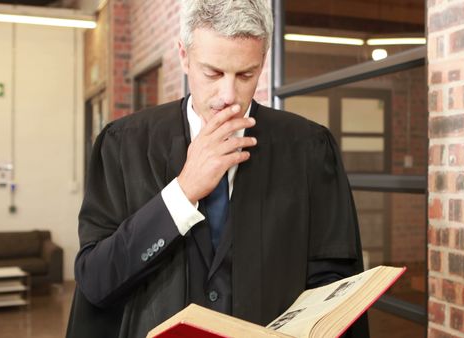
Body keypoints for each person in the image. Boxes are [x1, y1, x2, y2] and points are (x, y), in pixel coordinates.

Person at [66, 1, 367, 337]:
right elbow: (95, 280)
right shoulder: (123, 145)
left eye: (245, 75)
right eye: (212, 73)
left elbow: (335, 279)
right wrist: (182, 193)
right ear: (184, 55)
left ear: (263, 60)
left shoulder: (309, 147)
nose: (228, 96)